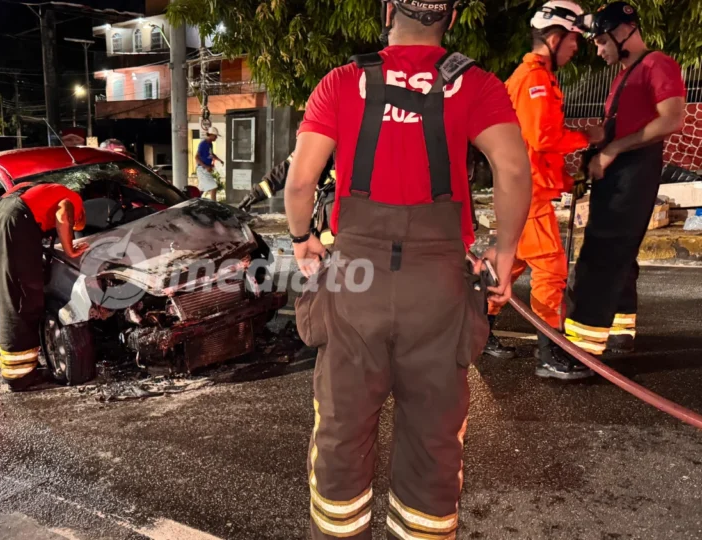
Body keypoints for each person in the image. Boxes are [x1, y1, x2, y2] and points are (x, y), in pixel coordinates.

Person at [285, 0, 532, 536]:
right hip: (439, 283)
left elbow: (301, 182)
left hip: (356, 278)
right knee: (433, 441)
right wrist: (505, 250)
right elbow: (513, 170)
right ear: (452, 17)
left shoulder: (342, 81)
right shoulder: (476, 84)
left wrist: (303, 240)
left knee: (341, 431)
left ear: (389, 9)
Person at [545, 2, 686, 370]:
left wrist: (613, 150)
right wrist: (597, 148)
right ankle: (619, 331)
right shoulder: (625, 74)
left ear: (624, 32)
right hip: (619, 171)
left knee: (602, 254)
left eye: (601, 41)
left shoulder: (658, 64)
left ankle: (581, 351)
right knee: (619, 251)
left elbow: (671, 119)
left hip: (633, 170)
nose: (598, 49)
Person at [482, 1, 594, 364]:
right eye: (574, 39)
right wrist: (588, 136)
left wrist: (566, 179)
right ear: (555, 39)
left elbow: (533, 147)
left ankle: (476, 331)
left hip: (524, 188)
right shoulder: (534, 80)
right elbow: (542, 137)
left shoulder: (535, 77)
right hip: (526, 193)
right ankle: (550, 353)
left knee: (510, 264)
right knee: (550, 269)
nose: (576, 47)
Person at [0, 182, 87, 392]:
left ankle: (8, 367)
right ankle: (21, 376)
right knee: (21, 297)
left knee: (1, 294)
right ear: (81, 213)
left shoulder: (39, 189)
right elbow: (64, 215)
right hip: (14, 223)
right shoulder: (72, 198)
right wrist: (70, 250)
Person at [238, 152, 337, 244]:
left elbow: (292, 166)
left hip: (334, 205)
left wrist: (256, 193)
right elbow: (290, 166)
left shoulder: (320, 140)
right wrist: (256, 193)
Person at [195, 127, 223, 201]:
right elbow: (196, 157)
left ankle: (193, 201)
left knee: (201, 190)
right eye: (215, 136)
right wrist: (206, 166)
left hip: (205, 169)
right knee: (213, 187)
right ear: (211, 135)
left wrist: (219, 160)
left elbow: (211, 154)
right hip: (202, 169)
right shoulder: (203, 144)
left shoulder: (210, 144)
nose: (216, 138)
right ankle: (214, 204)